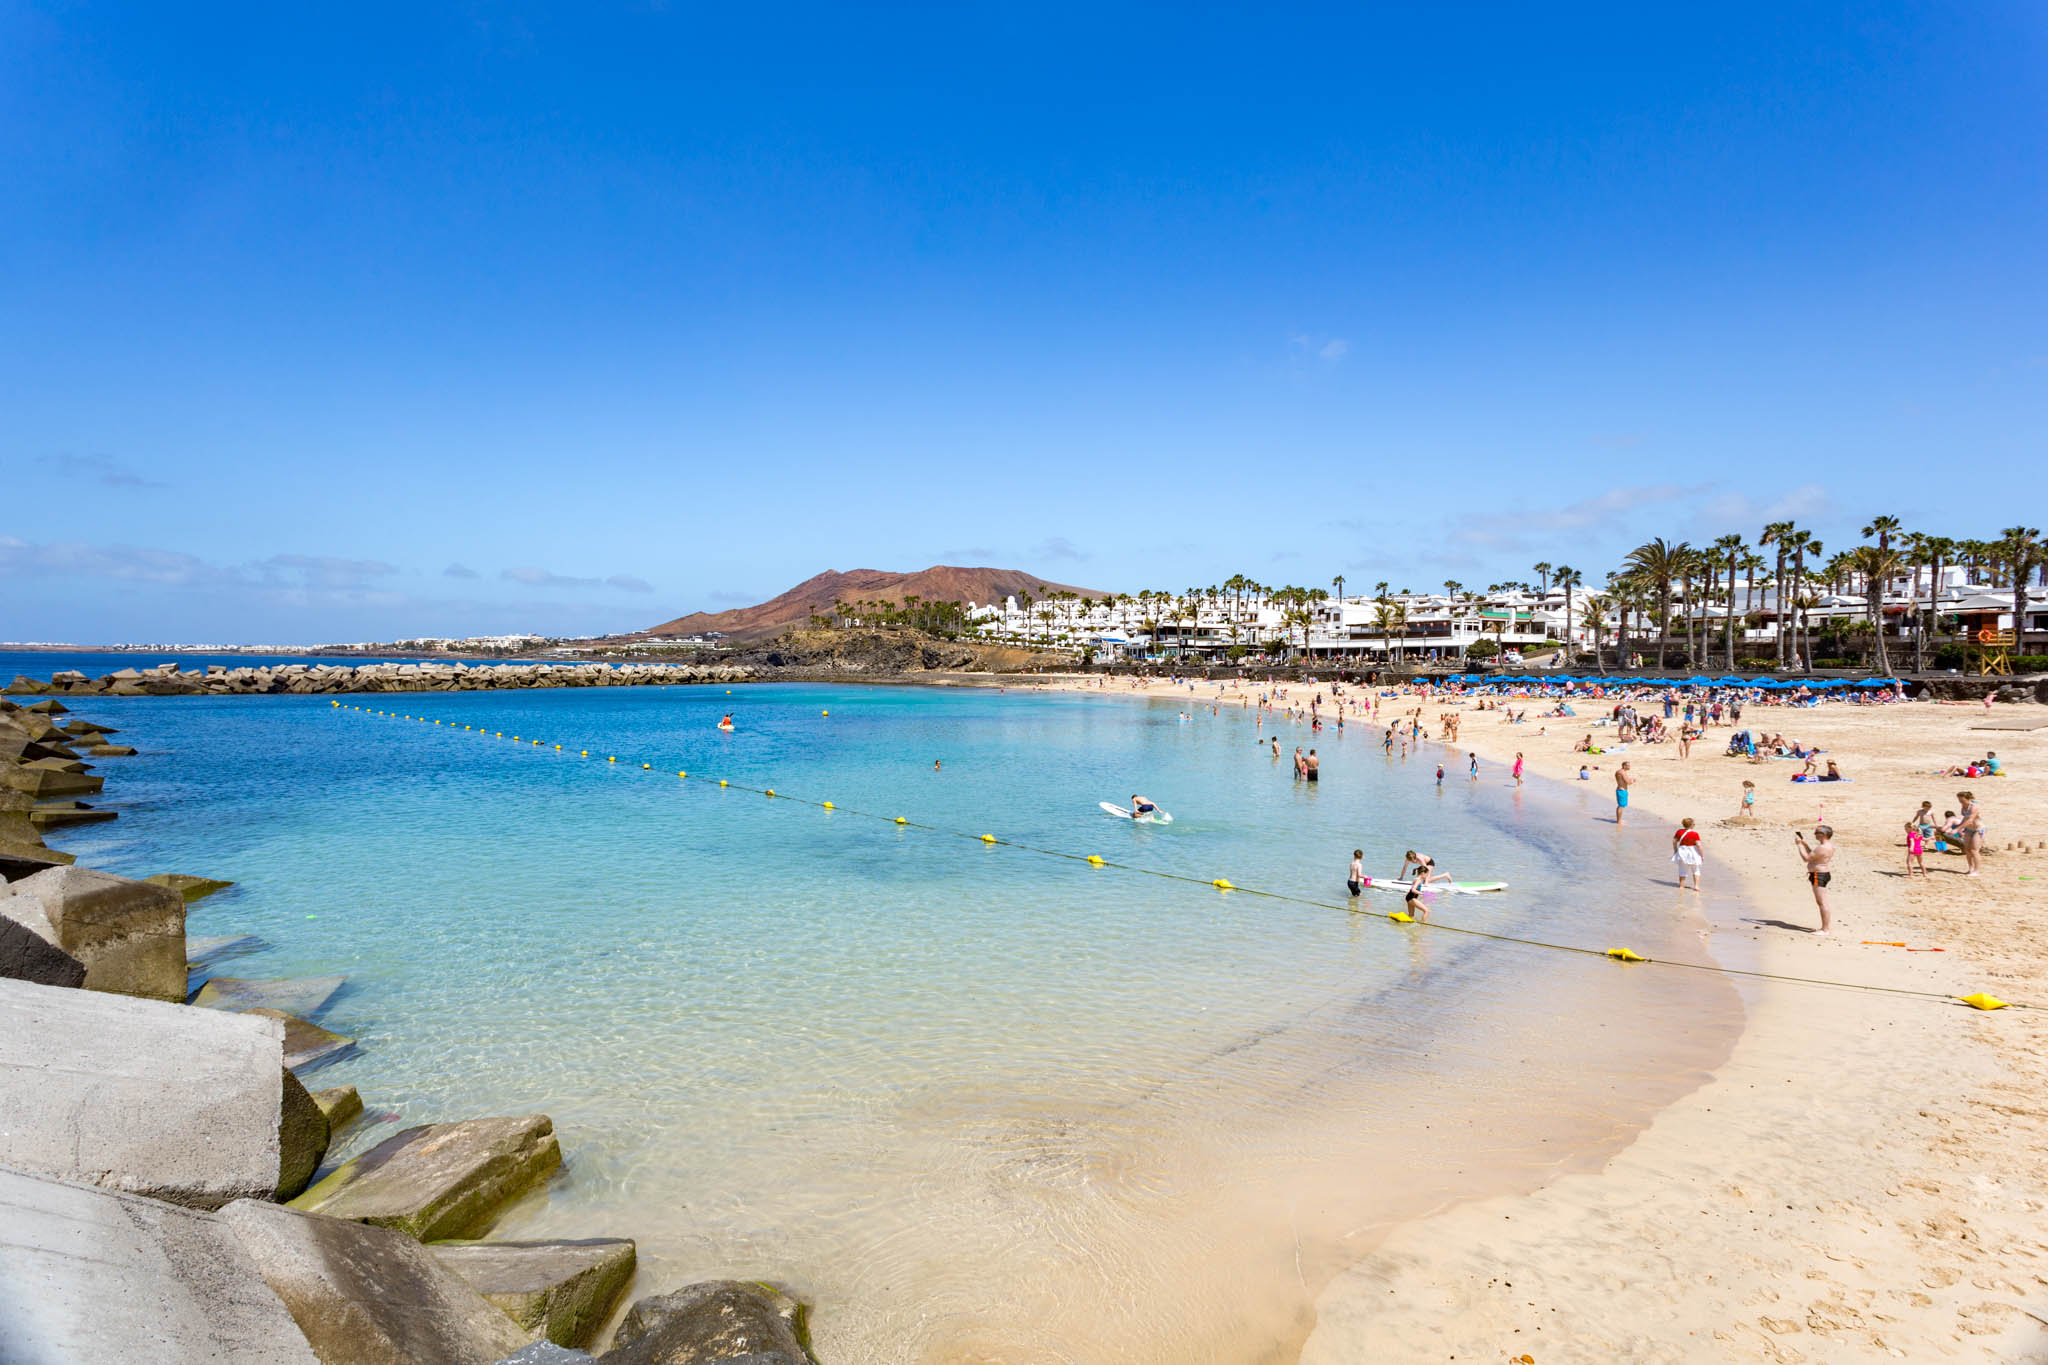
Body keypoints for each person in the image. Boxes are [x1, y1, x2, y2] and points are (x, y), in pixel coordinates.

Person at [1794, 825, 1835, 933]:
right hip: (1820, 874)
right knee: (1821, 902)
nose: (1814, 834)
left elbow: (1806, 858)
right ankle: (1824, 928)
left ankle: (1825, 929)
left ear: (1823, 834)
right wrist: (1805, 844)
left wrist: (1799, 846)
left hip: (1819, 875)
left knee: (1822, 902)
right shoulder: (1826, 846)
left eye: (1816, 832)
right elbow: (1813, 855)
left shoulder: (1822, 847)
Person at [1671, 817, 1703, 891]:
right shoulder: (1695, 834)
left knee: (1682, 869)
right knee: (1696, 870)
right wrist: (1701, 855)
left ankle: (1681, 886)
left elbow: (1674, 841)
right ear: (1692, 825)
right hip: (1693, 853)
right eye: (1694, 824)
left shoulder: (1679, 832)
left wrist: (1675, 851)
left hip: (1682, 852)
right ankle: (1696, 886)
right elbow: (1699, 845)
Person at [1958, 791, 1984, 877]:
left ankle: (1977, 871)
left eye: (1962, 800)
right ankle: (1970, 869)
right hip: (1968, 830)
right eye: (1959, 800)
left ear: (1968, 799)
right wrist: (1959, 826)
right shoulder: (1963, 806)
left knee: (1974, 850)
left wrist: (1959, 828)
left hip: (1978, 829)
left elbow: (1970, 820)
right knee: (1967, 850)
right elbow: (1965, 818)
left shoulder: (1974, 807)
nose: (1960, 802)